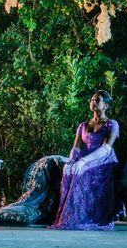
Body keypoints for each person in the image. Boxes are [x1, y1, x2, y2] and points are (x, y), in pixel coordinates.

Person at [50, 90, 119, 230]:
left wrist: (84, 162)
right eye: (92, 100)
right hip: (84, 158)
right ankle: (71, 216)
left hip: (103, 160)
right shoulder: (83, 125)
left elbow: (106, 148)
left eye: (97, 100)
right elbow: (76, 147)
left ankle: (88, 217)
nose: (93, 102)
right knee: (68, 172)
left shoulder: (112, 124)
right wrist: (70, 161)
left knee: (82, 174)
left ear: (105, 105)